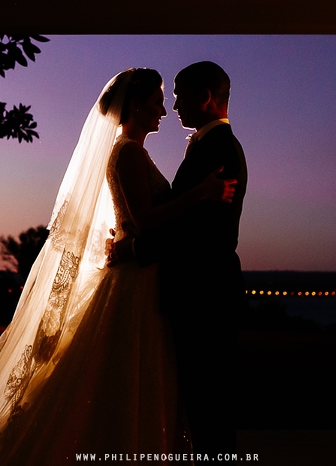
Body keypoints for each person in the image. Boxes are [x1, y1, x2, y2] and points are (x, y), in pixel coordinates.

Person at [0, 68, 234, 466]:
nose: (164, 109)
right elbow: (145, 221)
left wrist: (128, 239)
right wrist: (200, 194)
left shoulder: (132, 152)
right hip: (136, 280)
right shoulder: (128, 152)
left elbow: (139, 220)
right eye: (157, 101)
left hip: (142, 272)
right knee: (125, 374)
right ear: (135, 105)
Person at [109, 61, 248, 455]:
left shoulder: (219, 149)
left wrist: (133, 248)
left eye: (178, 97)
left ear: (204, 98)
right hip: (194, 293)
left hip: (205, 294)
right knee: (199, 407)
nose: (172, 108)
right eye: (164, 100)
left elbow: (199, 231)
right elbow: (171, 214)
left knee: (209, 408)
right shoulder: (206, 145)